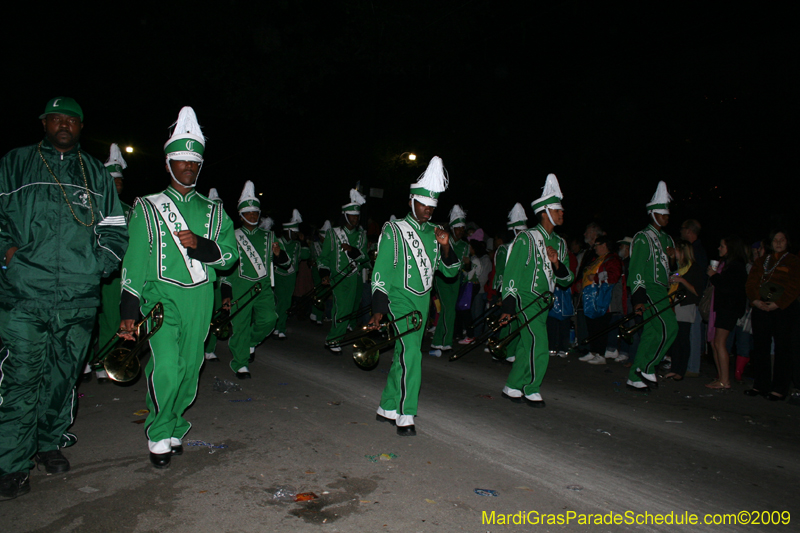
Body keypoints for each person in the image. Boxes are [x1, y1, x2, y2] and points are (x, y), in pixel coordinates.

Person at [0, 97, 128, 499]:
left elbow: (115, 228)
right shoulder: (15, 162)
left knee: (62, 377)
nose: (64, 125)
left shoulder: (94, 172)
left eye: (71, 120)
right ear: (43, 122)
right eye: (56, 118)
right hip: (24, 295)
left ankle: (49, 442)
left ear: (80, 127)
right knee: (21, 378)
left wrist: (96, 265)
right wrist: (8, 256)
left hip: (78, 297)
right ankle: (11, 464)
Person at [118, 107, 238, 469]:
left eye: (194, 161)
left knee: (190, 369)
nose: (189, 166)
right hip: (161, 301)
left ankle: (175, 422)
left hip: (200, 298)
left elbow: (229, 257)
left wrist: (202, 245)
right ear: (168, 163)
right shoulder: (147, 207)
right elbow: (134, 264)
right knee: (167, 366)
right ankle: (159, 431)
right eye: (182, 160)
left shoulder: (215, 212)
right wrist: (128, 313)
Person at [371, 156, 461, 436]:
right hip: (399, 301)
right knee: (412, 354)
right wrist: (378, 308)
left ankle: (387, 406)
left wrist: (446, 247)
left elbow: (450, 272)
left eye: (432, 207)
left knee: (404, 353)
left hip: (422, 304)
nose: (427, 211)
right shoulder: (394, 230)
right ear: (411, 201)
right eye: (423, 205)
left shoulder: (436, 235)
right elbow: (381, 273)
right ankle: (406, 413)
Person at [499, 174, 574, 407]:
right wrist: (508, 306)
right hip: (525, 298)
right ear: (545, 212)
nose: (562, 213)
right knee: (540, 343)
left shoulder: (560, 243)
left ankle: (512, 385)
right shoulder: (526, 238)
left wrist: (556, 263)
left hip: (545, 301)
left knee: (526, 344)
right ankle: (531, 386)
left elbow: (567, 279)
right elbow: (511, 275)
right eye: (557, 209)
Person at [220, 181, 288, 378]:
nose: (252, 216)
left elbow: (285, 262)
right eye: (248, 213)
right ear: (241, 216)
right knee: (240, 325)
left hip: (263, 288)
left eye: (255, 213)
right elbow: (226, 268)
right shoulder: (232, 236)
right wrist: (226, 293)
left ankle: (249, 342)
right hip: (239, 287)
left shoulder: (269, 236)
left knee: (269, 320)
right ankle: (240, 363)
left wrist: (278, 253)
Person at [86, 143, 134, 383]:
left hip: (117, 272)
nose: (117, 184)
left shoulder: (129, 210)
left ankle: (101, 362)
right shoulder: (91, 206)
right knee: (86, 318)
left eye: (119, 181)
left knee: (111, 319)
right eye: (112, 180)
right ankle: (83, 361)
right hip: (89, 269)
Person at [626, 181, 677, 391]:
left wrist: (674, 260)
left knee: (652, 334)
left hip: (663, 290)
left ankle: (633, 376)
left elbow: (670, 269)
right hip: (648, 290)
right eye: (662, 213)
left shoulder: (668, 239)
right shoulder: (642, 238)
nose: (666, 217)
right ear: (654, 214)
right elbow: (636, 269)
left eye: (668, 214)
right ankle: (647, 366)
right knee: (670, 328)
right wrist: (639, 298)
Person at [744, 230, 800, 401]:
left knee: (783, 348)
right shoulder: (762, 261)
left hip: (782, 309)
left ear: (787, 242)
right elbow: (751, 283)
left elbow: (794, 286)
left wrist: (778, 303)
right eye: (775, 240)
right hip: (761, 307)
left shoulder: (793, 261)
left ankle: (779, 388)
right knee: (761, 347)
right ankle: (761, 385)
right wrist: (755, 301)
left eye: (782, 239)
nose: (778, 242)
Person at [319, 190, 369, 353]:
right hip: (337, 276)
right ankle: (334, 339)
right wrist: (324, 274)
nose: (355, 219)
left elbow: (364, 258)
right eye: (352, 216)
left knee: (348, 310)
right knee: (340, 308)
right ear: (345, 216)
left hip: (353, 277)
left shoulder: (362, 235)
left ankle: (335, 338)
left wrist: (351, 250)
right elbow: (324, 258)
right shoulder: (333, 234)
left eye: (357, 216)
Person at [705, 236, 749, 389]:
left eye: (722, 246)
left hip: (729, 309)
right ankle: (721, 378)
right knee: (716, 343)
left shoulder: (736, 266)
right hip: (724, 308)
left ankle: (725, 380)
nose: (719, 248)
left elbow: (728, 288)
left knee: (720, 343)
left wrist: (714, 276)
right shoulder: (730, 265)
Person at [430, 205, 470, 356]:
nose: (460, 231)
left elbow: (468, 266)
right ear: (452, 228)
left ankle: (437, 342)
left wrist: (467, 263)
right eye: (458, 228)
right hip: (442, 279)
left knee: (448, 310)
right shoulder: (443, 241)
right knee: (449, 309)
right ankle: (446, 342)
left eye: (462, 228)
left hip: (456, 280)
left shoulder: (465, 246)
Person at [577, 235, 623, 365]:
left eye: (597, 244)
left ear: (604, 245)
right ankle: (593, 351)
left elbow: (613, 275)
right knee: (591, 325)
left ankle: (600, 354)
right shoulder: (596, 259)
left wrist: (596, 277)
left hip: (603, 299)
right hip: (590, 298)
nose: (595, 247)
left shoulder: (612, 259)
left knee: (600, 326)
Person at [664, 240, 703, 381]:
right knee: (675, 338)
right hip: (675, 304)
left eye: (677, 250)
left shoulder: (694, 268)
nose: (675, 253)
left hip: (686, 305)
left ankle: (681, 371)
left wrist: (681, 281)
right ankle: (674, 369)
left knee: (683, 339)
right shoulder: (680, 268)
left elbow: (697, 291)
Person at [273, 209, 309, 338]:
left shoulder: (297, 244)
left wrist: (303, 241)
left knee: (287, 302)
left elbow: (305, 255)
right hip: (278, 274)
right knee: (279, 301)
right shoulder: (277, 241)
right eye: (294, 233)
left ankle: (280, 327)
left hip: (291, 276)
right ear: (288, 231)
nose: (296, 235)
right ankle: (276, 325)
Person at [679, 219, 708, 378]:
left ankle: (693, 366)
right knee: (689, 331)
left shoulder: (697, 251)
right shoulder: (695, 250)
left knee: (694, 332)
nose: (681, 232)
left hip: (695, 297)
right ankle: (689, 364)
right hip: (689, 296)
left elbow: (698, 277)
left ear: (689, 231)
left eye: (682, 229)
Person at [203, 188, 225, 362]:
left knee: (215, 313)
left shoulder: (225, 231)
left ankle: (210, 347)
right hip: (201, 279)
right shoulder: (200, 228)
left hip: (219, 280)